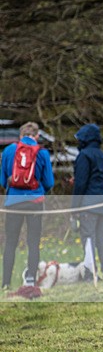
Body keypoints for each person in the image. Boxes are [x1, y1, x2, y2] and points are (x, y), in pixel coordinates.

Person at [1, 122, 55, 290]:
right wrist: (38, 190)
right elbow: (49, 182)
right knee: (33, 242)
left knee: (10, 243)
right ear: (37, 136)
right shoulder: (42, 153)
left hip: (13, 203)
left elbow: (3, 180)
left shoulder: (9, 150)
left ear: (20, 135)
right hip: (35, 203)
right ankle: (31, 279)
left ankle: (6, 283)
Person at [70, 123, 103, 281]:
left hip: (89, 205)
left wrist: (74, 207)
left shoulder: (84, 156)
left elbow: (80, 184)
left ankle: (91, 274)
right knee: (101, 239)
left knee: (88, 239)